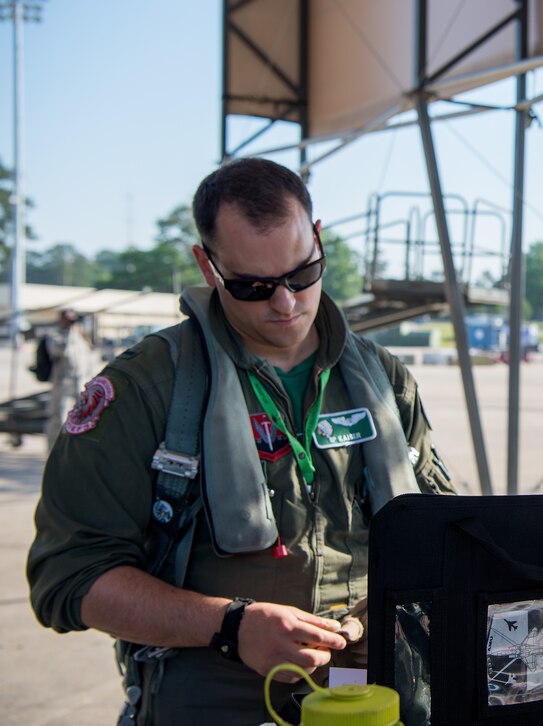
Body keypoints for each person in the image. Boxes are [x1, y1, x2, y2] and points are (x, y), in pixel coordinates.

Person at [27, 157, 456, 724]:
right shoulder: (146, 390)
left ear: (318, 239)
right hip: (217, 696)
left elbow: (444, 532)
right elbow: (67, 577)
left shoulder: (385, 381)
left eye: (303, 275)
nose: (286, 303)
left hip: (373, 695)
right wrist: (230, 624)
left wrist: (396, 606)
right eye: (254, 286)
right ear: (208, 266)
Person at [43, 308, 96, 446]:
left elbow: (89, 360)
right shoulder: (55, 336)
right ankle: (55, 449)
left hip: (82, 384)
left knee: (84, 419)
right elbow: (61, 352)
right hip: (63, 384)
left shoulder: (82, 338)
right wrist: (71, 333)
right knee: (60, 418)